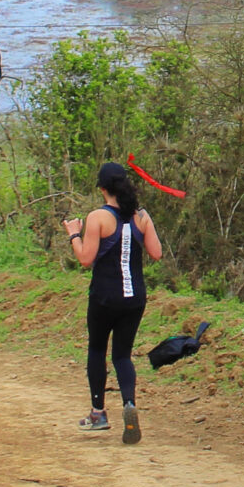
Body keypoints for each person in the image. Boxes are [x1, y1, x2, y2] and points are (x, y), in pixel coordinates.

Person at [64, 160, 163, 444]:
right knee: (123, 354)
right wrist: (145, 223)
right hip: (135, 298)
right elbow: (156, 253)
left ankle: (98, 413)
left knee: (97, 349)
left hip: (105, 296)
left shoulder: (98, 217)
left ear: (102, 188)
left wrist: (73, 233)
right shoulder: (141, 216)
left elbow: (85, 259)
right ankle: (129, 404)